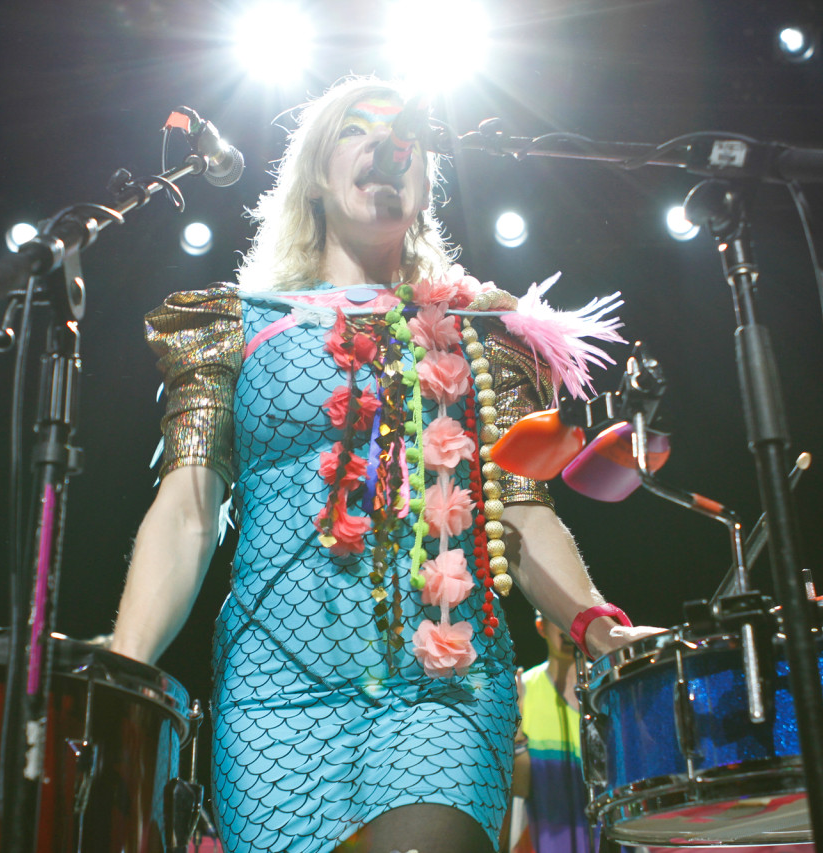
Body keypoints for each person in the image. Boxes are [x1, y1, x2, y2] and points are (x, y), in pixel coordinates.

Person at [110, 76, 654, 853]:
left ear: (425, 179)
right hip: (273, 701)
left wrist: (596, 624)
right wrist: (127, 665)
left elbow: (523, 514)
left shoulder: (481, 331)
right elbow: (189, 510)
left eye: (407, 140)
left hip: (442, 689)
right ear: (315, 175)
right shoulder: (233, 326)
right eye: (357, 132)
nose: (387, 149)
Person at [509, 613, 593, 853]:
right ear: (541, 626)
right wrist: (516, 733)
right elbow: (521, 789)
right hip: (544, 843)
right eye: (559, 616)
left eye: (577, 618)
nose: (568, 626)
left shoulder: (606, 684)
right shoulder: (523, 689)